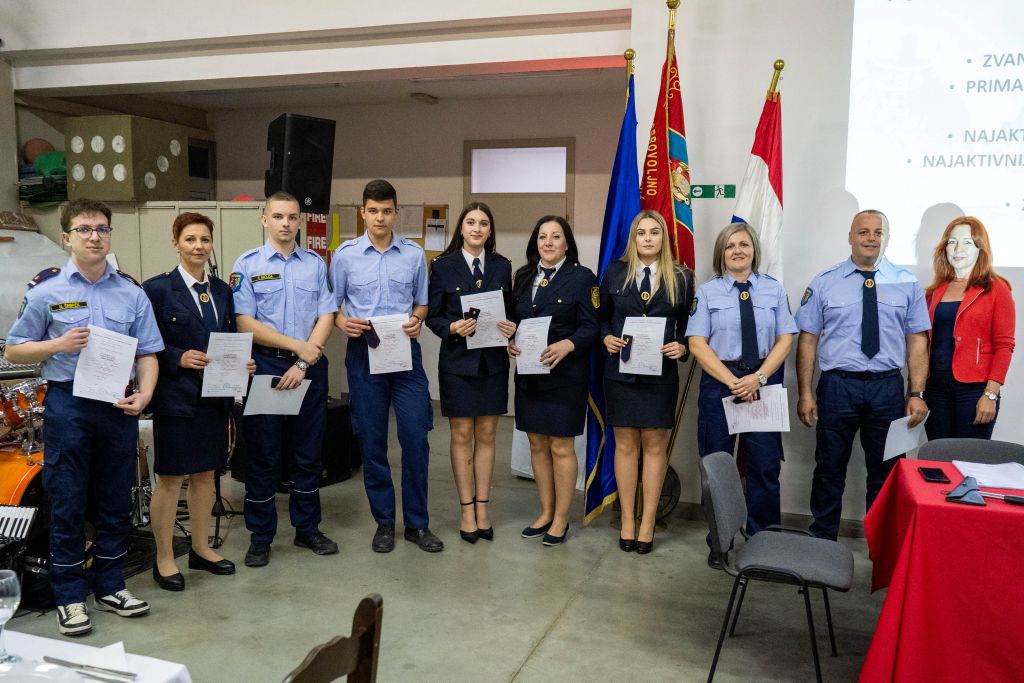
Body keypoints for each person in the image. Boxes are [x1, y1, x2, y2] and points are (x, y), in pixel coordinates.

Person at [5, 199, 163, 636]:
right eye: (85, 229)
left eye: (102, 229)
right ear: (67, 237)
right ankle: (70, 596)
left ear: (110, 235)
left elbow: (148, 352)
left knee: (115, 500)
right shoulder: (46, 291)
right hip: (69, 405)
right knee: (68, 501)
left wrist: (146, 393)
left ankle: (111, 586)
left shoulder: (131, 292)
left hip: (117, 405)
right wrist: (57, 345)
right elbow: (15, 349)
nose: (95, 236)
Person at [795, 209, 930, 540]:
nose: (871, 238)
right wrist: (806, 393)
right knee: (829, 468)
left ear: (886, 238)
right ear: (850, 237)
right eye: (863, 232)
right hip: (837, 387)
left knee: (885, 471)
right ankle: (823, 540)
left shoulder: (906, 283)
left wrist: (916, 393)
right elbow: (808, 340)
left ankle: (880, 544)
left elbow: (917, 341)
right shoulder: (825, 282)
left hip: (887, 389)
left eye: (878, 232)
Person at [143, 213, 256, 591]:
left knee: (207, 475)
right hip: (177, 398)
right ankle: (164, 557)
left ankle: (201, 548)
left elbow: (228, 339)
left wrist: (243, 363)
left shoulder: (222, 290)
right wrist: (177, 357)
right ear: (175, 243)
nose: (198, 246)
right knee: (172, 478)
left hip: (215, 397)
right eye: (190, 239)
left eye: (204, 239)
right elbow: (145, 344)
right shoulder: (157, 290)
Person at [330, 179, 442, 553]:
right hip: (364, 354)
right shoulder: (345, 255)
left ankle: (417, 524)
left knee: (416, 438)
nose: (380, 217)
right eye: (374, 211)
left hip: (405, 355)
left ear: (396, 213)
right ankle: (384, 522)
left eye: (387, 211)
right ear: (363, 212)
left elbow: (422, 303)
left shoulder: (413, 255)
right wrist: (341, 322)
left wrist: (418, 319)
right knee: (372, 440)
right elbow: (332, 304)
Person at [230, 192, 338, 567]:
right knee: (264, 456)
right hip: (266, 366)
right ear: (265, 220)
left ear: (300, 221)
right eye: (278, 216)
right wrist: (296, 347)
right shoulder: (247, 265)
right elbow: (244, 322)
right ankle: (261, 537)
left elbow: (327, 315)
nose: (286, 223)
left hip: (309, 367)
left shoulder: (315, 265)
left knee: (308, 454)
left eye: (292, 217)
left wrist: (304, 360)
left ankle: (307, 528)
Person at [686, 222, 796, 566]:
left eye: (744, 244)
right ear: (721, 253)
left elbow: (785, 339)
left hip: (762, 381)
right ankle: (719, 543)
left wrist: (758, 378)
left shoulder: (773, 290)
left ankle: (764, 542)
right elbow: (697, 344)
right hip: (721, 383)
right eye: (730, 245)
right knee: (717, 468)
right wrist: (733, 381)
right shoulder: (708, 293)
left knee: (764, 468)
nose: (737, 250)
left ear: (754, 251)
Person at [599, 210, 693, 555]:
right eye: (641, 232)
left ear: (663, 237)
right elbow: (601, 318)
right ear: (633, 238)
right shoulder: (615, 272)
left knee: (654, 447)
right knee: (625, 445)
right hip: (621, 374)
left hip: (660, 376)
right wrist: (606, 337)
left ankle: (648, 521)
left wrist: (682, 346)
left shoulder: (681, 276)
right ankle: (627, 519)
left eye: (654, 232)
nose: (648, 238)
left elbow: (688, 326)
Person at [426, 203, 516, 543]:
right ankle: (466, 509)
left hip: (492, 363)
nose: (477, 228)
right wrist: (451, 327)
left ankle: (483, 507)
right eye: (471, 222)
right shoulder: (443, 266)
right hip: (458, 364)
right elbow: (433, 316)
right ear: (461, 228)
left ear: (490, 230)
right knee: (462, 435)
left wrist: (512, 327)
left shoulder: (502, 266)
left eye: (483, 223)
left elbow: (511, 310)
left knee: (488, 435)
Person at [508, 216, 598, 546]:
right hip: (529, 374)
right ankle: (545, 511)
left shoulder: (582, 278)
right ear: (535, 242)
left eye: (555, 236)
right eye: (542, 236)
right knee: (536, 443)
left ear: (567, 243)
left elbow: (591, 326)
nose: (548, 242)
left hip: (566, 376)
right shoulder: (523, 276)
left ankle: (561, 518)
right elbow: (513, 320)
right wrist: (510, 341)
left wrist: (568, 344)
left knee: (561, 446)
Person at [924, 216, 1015, 440]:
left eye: (967, 242)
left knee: (970, 457)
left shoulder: (997, 289)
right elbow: (923, 342)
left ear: (980, 249)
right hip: (935, 390)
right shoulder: (934, 291)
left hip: (974, 391)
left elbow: (1004, 345)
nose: (958, 249)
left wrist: (991, 394)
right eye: (952, 242)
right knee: (938, 456)